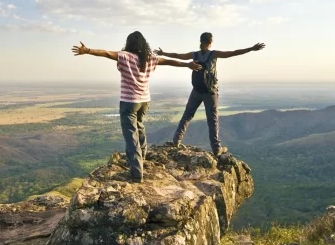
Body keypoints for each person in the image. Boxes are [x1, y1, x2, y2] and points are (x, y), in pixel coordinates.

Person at [71, 31, 201, 183]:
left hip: (129, 102)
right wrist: (188, 65)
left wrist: (87, 51)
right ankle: (142, 155)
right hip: (144, 101)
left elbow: (106, 53)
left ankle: (136, 173)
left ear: (129, 43)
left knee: (130, 136)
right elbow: (168, 61)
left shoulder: (126, 56)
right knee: (139, 126)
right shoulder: (150, 58)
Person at [155, 32, 265, 156]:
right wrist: (251, 49)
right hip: (210, 92)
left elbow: (178, 56)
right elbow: (233, 53)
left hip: (196, 90)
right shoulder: (213, 54)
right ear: (210, 42)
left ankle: (176, 141)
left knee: (187, 115)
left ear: (200, 41)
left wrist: (163, 53)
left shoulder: (194, 55)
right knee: (212, 120)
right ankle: (216, 149)